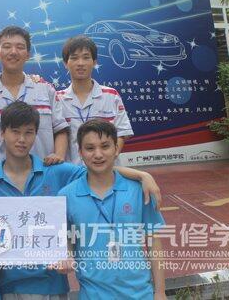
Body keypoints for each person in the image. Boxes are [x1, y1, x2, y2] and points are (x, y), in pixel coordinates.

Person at [0, 102, 161, 299]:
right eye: (15, 132)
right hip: (6, 286)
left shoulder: (57, 172)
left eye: (29, 132)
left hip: (51, 285)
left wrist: (142, 175)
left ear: (36, 134)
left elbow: (98, 168)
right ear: (2, 133)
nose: (21, 139)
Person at [54, 120, 166, 299]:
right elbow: (66, 238)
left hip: (140, 294)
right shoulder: (66, 195)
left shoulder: (139, 190)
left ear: (116, 148)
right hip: (92, 294)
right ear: (80, 152)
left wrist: (160, 292)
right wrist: (66, 256)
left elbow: (154, 242)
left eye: (105, 146)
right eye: (90, 148)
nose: (98, 154)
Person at [0, 26, 69, 178]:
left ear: (28, 54)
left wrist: (59, 156)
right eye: (7, 46)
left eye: (20, 47)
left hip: (45, 178)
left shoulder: (45, 89)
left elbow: (60, 130)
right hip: (0, 181)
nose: (13, 52)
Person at [57, 35, 133, 165]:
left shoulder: (111, 95)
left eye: (86, 57)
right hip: (73, 173)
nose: (80, 63)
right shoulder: (58, 99)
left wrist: (108, 159)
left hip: (107, 171)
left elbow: (122, 133)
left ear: (94, 62)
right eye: (74, 58)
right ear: (65, 63)